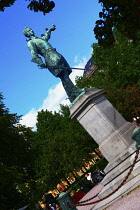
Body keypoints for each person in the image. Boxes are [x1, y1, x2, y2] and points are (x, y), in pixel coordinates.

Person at [23, 25, 84, 103]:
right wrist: (40, 62)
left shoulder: (38, 39)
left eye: (31, 29)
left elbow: (45, 38)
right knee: (64, 75)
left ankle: (72, 95)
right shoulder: (30, 42)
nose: (31, 30)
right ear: (27, 33)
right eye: (29, 30)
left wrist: (50, 30)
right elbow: (34, 54)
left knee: (65, 75)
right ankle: (76, 91)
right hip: (50, 57)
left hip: (55, 54)